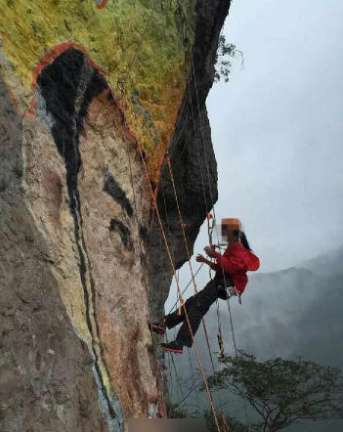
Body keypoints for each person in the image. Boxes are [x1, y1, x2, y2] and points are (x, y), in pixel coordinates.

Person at [149, 218, 260, 354]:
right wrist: (207, 260)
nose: (223, 235)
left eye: (226, 231)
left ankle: (180, 343)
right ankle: (164, 325)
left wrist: (215, 254)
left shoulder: (239, 249)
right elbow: (222, 267)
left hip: (224, 285)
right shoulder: (234, 248)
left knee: (198, 307)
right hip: (221, 284)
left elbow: (230, 267)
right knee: (192, 303)